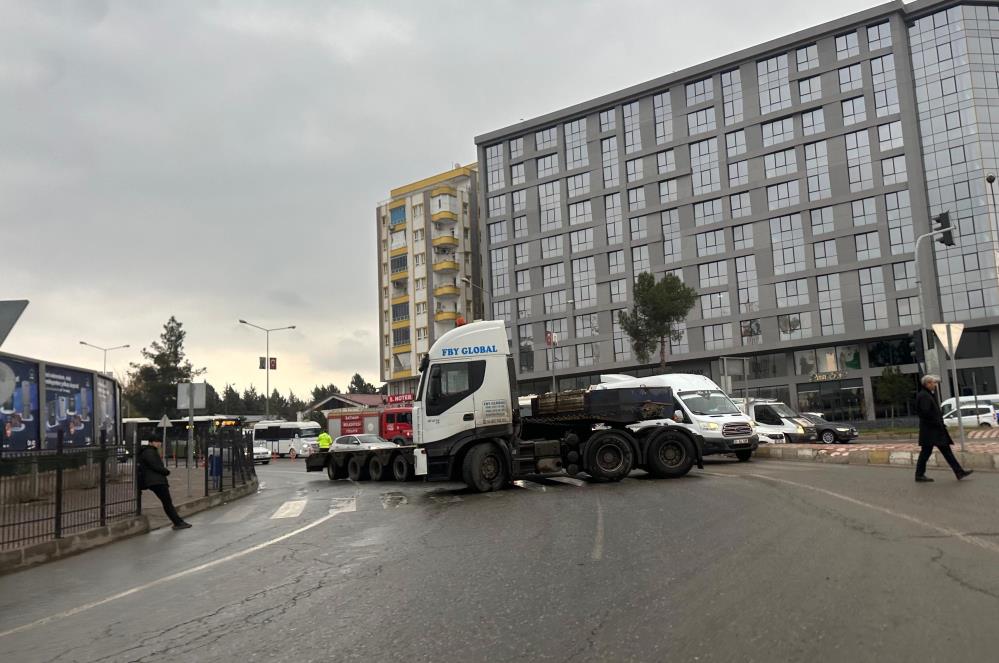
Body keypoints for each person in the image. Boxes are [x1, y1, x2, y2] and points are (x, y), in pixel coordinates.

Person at [914, 374, 973, 483]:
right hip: (931, 431)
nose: (935, 385)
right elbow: (925, 413)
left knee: (945, 451)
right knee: (926, 453)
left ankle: (959, 472)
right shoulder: (924, 396)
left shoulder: (927, 394)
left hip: (934, 430)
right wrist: (937, 423)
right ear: (927, 384)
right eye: (933, 383)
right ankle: (919, 475)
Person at [138, 439, 192, 529]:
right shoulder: (149, 452)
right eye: (157, 442)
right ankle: (178, 523)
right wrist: (165, 471)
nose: (159, 444)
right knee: (167, 503)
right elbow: (155, 465)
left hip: (155, 481)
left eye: (160, 442)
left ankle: (178, 522)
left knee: (167, 503)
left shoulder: (149, 451)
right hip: (156, 481)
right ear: (151, 442)